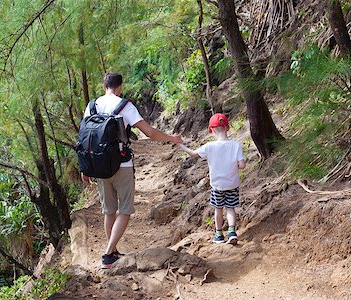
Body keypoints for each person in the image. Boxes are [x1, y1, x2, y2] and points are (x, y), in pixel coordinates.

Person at [81, 72, 183, 268]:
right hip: (121, 164)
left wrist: (86, 167)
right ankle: (108, 254)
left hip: (99, 166)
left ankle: (113, 251)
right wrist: (172, 138)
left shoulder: (91, 106)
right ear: (120, 87)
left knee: (109, 211)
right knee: (125, 210)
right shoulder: (124, 105)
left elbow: (85, 138)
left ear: (104, 86)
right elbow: (150, 132)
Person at [177, 113, 245, 245]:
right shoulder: (235, 145)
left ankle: (219, 234)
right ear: (227, 128)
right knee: (230, 208)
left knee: (218, 209)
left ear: (212, 130)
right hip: (232, 184)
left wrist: (179, 144)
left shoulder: (209, 146)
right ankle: (232, 232)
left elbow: (192, 154)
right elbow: (242, 165)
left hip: (217, 185)